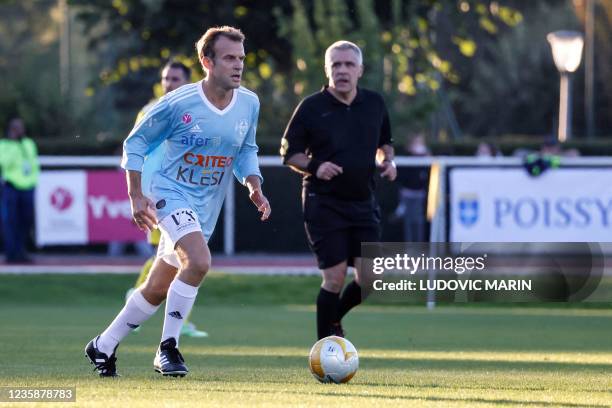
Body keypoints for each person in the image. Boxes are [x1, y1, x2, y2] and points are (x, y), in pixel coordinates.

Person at [85, 26, 271, 378]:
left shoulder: (250, 103)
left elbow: (246, 150)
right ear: (207, 61)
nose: (238, 65)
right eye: (230, 58)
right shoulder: (178, 103)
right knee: (199, 261)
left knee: (157, 287)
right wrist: (136, 196)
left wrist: (253, 184)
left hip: (205, 207)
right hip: (168, 193)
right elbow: (135, 144)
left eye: (241, 58)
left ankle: (103, 344)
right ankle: (167, 348)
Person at [280, 40, 396, 340]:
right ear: (327, 69)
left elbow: (385, 143)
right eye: (336, 65)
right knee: (334, 278)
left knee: (371, 278)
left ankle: (333, 321)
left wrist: (388, 162)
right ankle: (323, 348)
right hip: (324, 203)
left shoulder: (374, 103)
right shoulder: (310, 107)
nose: (342, 70)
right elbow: (289, 153)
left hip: (362, 201)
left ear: (360, 70)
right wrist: (315, 166)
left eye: (348, 65)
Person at [126, 60, 209, 339]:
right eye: (166, 78)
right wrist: (142, 193)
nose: (168, 84)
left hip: (187, 194)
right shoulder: (152, 110)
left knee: (176, 257)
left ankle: (145, 304)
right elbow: (138, 151)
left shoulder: (197, 109)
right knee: (180, 256)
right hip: (161, 195)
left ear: (186, 81)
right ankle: (148, 304)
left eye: (174, 79)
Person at [0, 118, 40, 264]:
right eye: (15, 128)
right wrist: (13, 144)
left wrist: (34, 181)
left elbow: (33, 163)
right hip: (11, 187)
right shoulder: (4, 145)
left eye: (20, 127)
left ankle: (21, 252)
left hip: (28, 188)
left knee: (26, 221)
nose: (19, 130)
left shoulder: (29, 144)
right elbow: (4, 163)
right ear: (10, 129)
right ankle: (11, 254)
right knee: (11, 222)